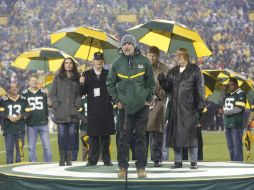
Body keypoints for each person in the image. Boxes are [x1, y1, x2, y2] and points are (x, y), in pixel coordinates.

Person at [107, 34, 155, 178]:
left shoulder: (145, 62)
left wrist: (148, 99)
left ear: (134, 46)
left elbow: (151, 83)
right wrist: (116, 101)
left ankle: (141, 168)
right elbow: (110, 84)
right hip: (124, 108)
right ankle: (122, 167)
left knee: (141, 138)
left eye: (129, 44)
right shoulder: (116, 63)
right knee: (123, 139)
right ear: (121, 47)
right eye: (124, 44)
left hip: (142, 108)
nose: (126, 46)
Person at [158, 48, 205, 169]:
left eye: (179, 56)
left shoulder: (195, 70)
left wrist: (200, 107)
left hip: (190, 108)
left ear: (185, 56)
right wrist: (162, 81)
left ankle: (193, 162)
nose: (177, 57)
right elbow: (168, 89)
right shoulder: (172, 72)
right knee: (175, 136)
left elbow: (200, 89)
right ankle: (178, 161)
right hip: (175, 109)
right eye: (176, 56)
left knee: (192, 136)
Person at [80, 52, 115, 166]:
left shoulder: (108, 73)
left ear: (103, 61)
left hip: (106, 109)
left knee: (105, 136)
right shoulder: (86, 74)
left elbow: (112, 89)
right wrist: (81, 83)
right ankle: (92, 159)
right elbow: (81, 92)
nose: (99, 61)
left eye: (100, 59)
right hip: (93, 110)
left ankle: (106, 159)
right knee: (93, 136)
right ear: (93, 61)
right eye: (97, 59)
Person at [50, 57, 81, 166]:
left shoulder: (77, 78)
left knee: (72, 136)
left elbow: (78, 95)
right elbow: (52, 93)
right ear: (63, 65)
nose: (68, 65)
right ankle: (62, 158)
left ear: (73, 65)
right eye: (66, 63)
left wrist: (77, 105)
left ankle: (69, 159)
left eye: (70, 63)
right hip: (61, 112)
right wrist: (56, 105)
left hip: (73, 112)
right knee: (62, 135)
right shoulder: (58, 78)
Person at [145, 46, 169, 167]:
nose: (152, 58)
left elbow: (169, 88)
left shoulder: (164, 68)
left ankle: (156, 158)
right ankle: (142, 158)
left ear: (158, 57)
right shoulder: (141, 66)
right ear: (147, 55)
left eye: (154, 56)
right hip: (144, 102)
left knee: (156, 132)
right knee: (143, 132)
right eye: (150, 55)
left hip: (158, 102)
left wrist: (163, 83)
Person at [22, 75, 52, 162]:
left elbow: (50, 104)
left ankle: (48, 165)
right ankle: (32, 166)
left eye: (35, 80)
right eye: (32, 80)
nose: (34, 82)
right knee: (31, 147)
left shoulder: (43, 91)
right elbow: (22, 107)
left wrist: (48, 95)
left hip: (43, 123)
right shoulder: (24, 93)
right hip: (31, 124)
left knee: (47, 147)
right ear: (28, 82)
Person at [0, 82, 30, 164]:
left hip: (20, 129)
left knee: (19, 152)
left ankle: (18, 171)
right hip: (8, 130)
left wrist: (21, 116)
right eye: (12, 87)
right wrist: (8, 116)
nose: (14, 89)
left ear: (18, 88)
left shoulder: (23, 99)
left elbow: (28, 112)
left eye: (16, 87)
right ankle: (8, 171)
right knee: (9, 152)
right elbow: (1, 113)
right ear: (9, 89)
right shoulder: (3, 100)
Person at [219, 77, 246, 161]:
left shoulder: (240, 93)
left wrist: (225, 112)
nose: (229, 86)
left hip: (236, 123)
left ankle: (238, 165)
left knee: (237, 146)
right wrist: (223, 90)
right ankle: (233, 163)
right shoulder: (227, 94)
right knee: (230, 146)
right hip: (227, 123)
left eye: (231, 85)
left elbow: (239, 108)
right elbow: (220, 101)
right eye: (229, 85)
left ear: (236, 85)